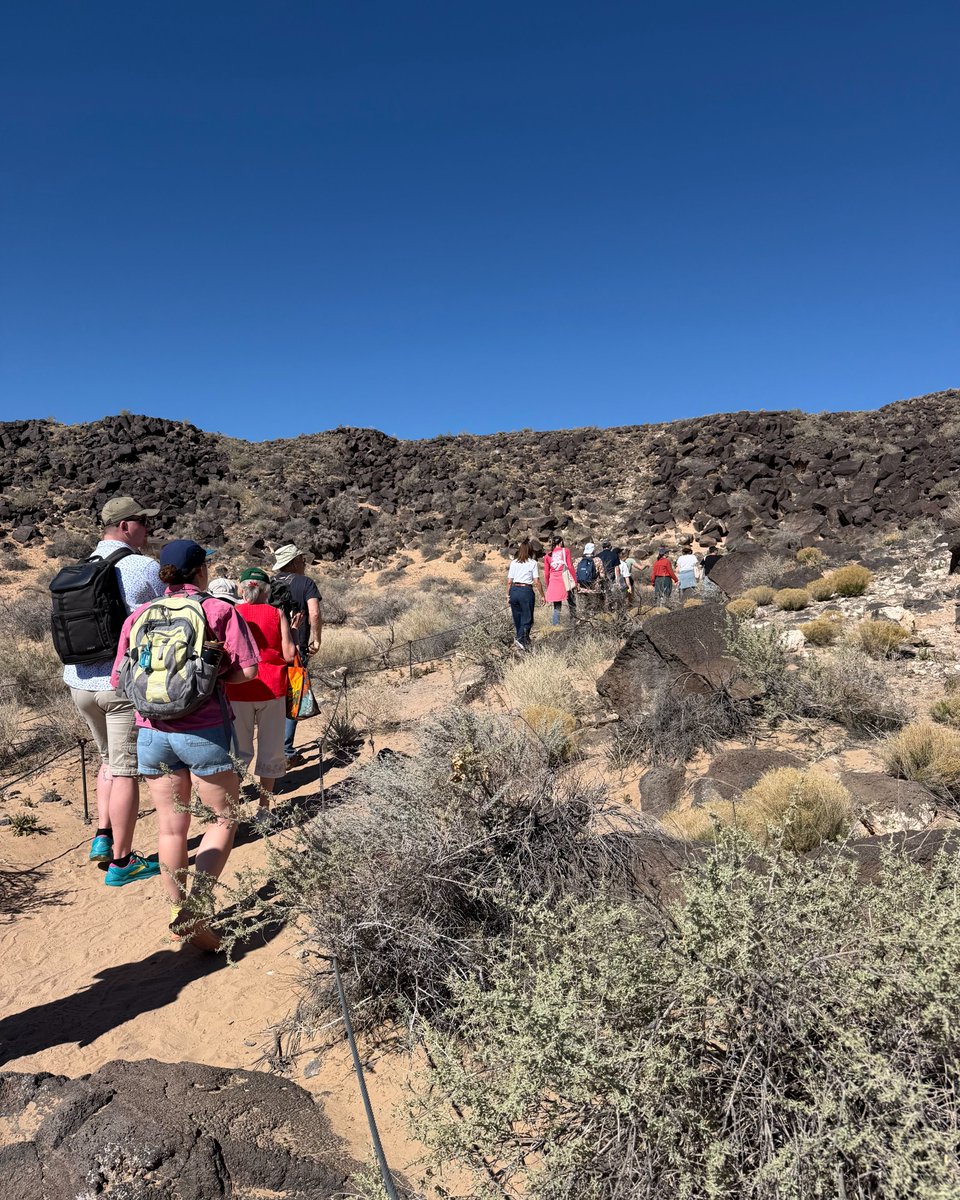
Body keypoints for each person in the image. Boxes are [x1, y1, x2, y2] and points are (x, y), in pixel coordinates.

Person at [112, 539, 259, 950]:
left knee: (171, 828)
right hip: (204, 730)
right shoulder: (217, 609)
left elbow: (118, 679)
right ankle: (199, 905)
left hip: (151, 733)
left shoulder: (139, 616)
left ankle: (178, 910)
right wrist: (210, 681)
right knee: (222, 819)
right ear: (201, 570)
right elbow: (247, 670)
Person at [61, 495, 164, 883]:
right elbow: (165, 614)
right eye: (142, 522)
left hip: (79, 683)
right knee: (126, 772)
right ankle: (122, 863)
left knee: (107, 759)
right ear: (125, 526)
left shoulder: (78, 567)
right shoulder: (143, 567)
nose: (147, 529)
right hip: (120, 685)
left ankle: (103, 838)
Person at [228, 567, 296, 822]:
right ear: (267, 591)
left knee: (239, 752)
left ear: (242, 589)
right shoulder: (276, 613)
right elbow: (289, 654)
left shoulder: (233, 612)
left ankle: (231, 811)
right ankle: (264, 809)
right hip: (272, 687)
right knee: (271, 748)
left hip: (237, 687)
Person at [271, 544, 323, 768]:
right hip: (297, 646)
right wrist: (317, 638)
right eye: (301, 559)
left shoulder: (270, 584)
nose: (304, 562)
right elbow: (314, 612)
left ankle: (271, 748)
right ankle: (286, 750)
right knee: (294, 695)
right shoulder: (306, 583)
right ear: (292, 562)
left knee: (275, 698)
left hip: (272, 648)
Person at [506, 539, 544, 649]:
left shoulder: (513, 563)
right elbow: (536, 581)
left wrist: (507, 595)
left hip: (514, 591)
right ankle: (520, 639)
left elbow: (509, 581)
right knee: (527, 618)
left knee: (517, 617)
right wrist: (542, 595)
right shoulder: (532, 563)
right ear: (530, 550)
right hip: (526, 591)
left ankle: (523, 640)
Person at [543, 538, 577, 625]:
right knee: (571, 602)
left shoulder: (548, 556)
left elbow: (546, 574)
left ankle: (556, 625)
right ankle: (573, 622)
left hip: (554, 581)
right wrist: (575, 581)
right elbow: (570, 567)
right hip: (565, 580)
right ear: (561, 542)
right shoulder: (565, 551)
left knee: (557, 605)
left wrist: (548, 586)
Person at [574, 542, 605, 614]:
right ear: (593, 550)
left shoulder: (578, 560)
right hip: (594, 589)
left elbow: (574, 574)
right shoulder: (597, 560)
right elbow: (602, 575)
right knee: (594, 610)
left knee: (582, 610)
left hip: (581, 589)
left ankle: (583, 623)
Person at [597, 540, 622, 607]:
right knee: (611, 594)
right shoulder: (614, 555)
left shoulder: (598, 556)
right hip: (611, 576)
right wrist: (618, 581)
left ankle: (603, 609)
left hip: (601, 577)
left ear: (603, 547)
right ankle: (611, 608)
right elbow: (617, 569)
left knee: (602, 593)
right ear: (610, 546)